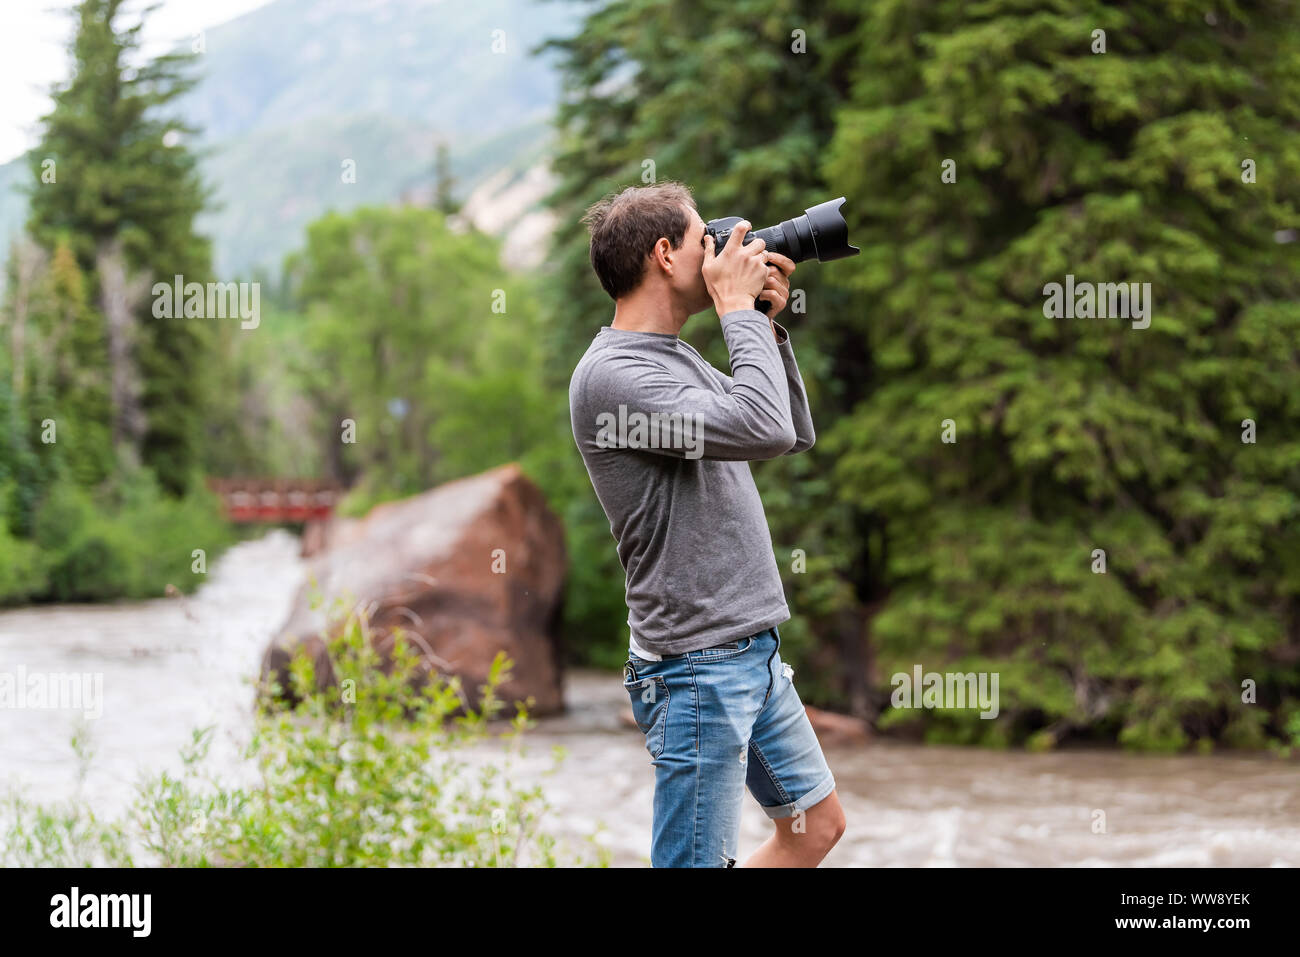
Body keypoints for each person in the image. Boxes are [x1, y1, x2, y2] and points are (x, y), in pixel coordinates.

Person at [568, 181, 846, 867]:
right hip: (696, 666)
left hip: (746, 646)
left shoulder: (673, 357)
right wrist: (734, 310)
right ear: (665, 254)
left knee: (816, 827)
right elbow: (762, 423)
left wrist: (766, 327)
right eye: (706, 239)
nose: (726, 250)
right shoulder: (613, 378)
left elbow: (788, 431)